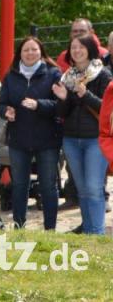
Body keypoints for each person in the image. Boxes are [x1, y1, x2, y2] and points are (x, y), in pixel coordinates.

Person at [0, 36, 62, 230]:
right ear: (20, 53)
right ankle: (19, 226)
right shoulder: (11, 76)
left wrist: (39, 105)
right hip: (19, 138)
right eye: (26, 50)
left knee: (49, 185)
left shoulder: (53, 73)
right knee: (19, 185)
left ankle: (50, 228)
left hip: (47, 139)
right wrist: (6, 111)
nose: (30, 53)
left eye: (34, 49)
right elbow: (1, 103)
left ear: (41, 52)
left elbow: (61, 105)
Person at [52, 34, 111, 234]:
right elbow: (62, 114)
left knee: (94, 188)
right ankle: (88, 229)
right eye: (73, 47)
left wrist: (86, 94)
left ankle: (97, 232)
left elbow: (107, 109)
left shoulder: (104, 75)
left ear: (90, 49)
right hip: (71, 138)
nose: (76, 51)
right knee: (82, 188)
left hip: (95, 139)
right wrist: (63, 99)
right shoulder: (67, 76)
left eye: (81, 47)